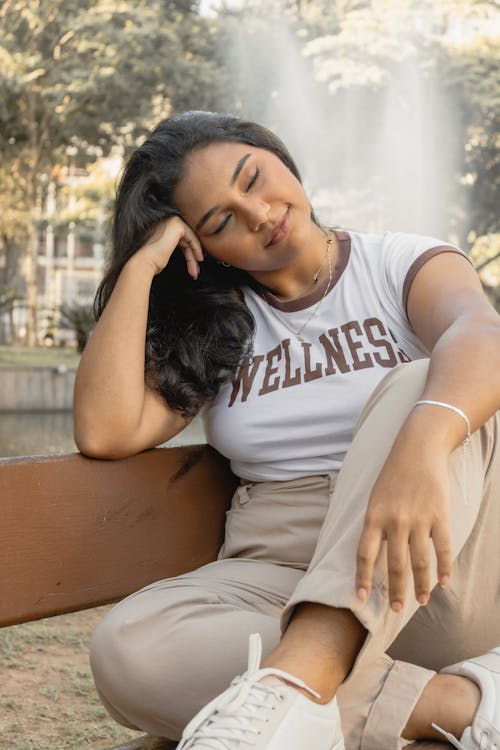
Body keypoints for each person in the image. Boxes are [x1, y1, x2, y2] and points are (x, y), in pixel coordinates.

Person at [73, 110, 500, 750]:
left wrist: (421, 444)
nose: (257, 212)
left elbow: (480, 333)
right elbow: (105, 430)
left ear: (278, 155)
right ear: (203, 247)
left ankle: (291, 689)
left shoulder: (396, 263)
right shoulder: (220, 330)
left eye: (254, 177)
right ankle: (461, 703)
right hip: (279, 573)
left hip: (428, 555)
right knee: (128, 647)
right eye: (220, 222)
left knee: (418, 381)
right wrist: (141, 265)